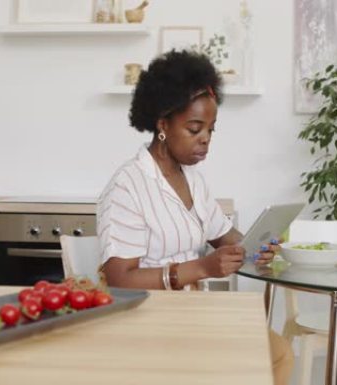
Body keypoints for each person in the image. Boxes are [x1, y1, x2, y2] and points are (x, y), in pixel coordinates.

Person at [96, 49, 293, 385]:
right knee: (262, 359)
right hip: (148, 321)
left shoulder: (193, 179)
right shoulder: (128, 185)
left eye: (211, 130)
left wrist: (259, 243)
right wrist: (202, 268)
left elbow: (226, 237)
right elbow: (119, 279)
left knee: (277, 353)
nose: (205, 138)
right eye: (194, 128)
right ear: (162, 124)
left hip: (192, 314)